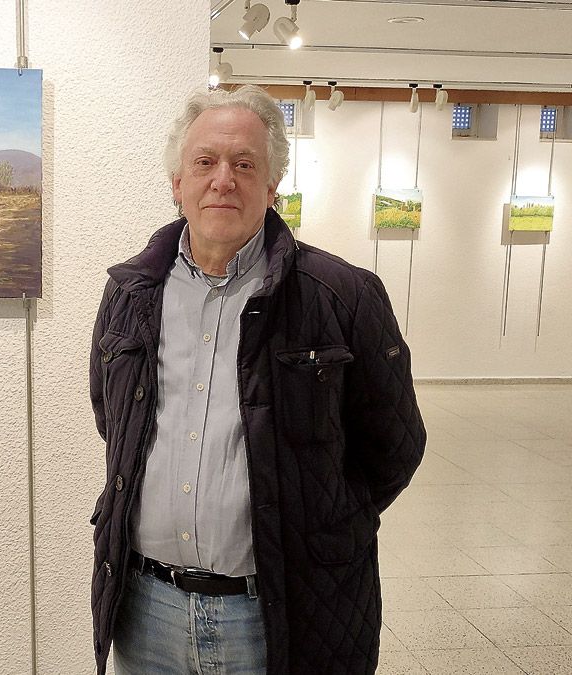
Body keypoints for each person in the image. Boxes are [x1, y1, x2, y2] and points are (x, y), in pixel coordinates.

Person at [89, 84, 426, 674]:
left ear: (272, 187)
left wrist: (323, 527)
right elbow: (114, 421)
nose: (223, 179)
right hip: (146, 611)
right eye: (205, 163)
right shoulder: (130, 293)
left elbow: (394, 447)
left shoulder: (342, 297)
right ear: (177, 184)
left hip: (274, 612)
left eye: (244, 164)